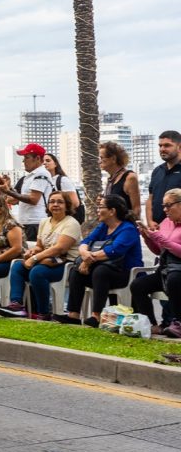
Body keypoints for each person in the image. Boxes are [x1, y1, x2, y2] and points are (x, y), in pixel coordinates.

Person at [54, 194, 143, 327]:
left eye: (101, 207)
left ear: (112, 211)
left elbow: (114, 250)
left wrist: (87, 260)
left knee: (100, 271)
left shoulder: (128, 229)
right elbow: (86, 241)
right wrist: (84, 253)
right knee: (76, 271)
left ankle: (96, 316)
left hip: (126, 273)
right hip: (105, 270)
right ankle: (74, 315)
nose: (97, 210)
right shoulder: (103, 226)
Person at [0, 191, 81, 320]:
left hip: (65, 264)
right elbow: (40, 246)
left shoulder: (71, 223)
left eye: (60, 202)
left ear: (67, 205)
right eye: (52, 201)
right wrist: (32, 252)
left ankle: (44, 313)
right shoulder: (44, 222)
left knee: (37, 272)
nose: (55, 204)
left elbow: (60, 248)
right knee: (18, 267)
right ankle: (17, 305)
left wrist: (35, 258)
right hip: (45, 259)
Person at [134, 188, 181, 336]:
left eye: (169, 205)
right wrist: (147, 237)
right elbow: (158, 250)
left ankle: (178, 323)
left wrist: (161, 239)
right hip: (166, 269)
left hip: (178, 270)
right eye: (163, 206)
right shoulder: (167, 222)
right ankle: (152, 324)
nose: (165, 210)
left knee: (174, 280)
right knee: (138, 285)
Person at [0, 143, 53, 242]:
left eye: (26, 157)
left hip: (35, 222)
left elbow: (33, 199)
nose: (24, 161)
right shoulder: (31, 176)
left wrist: (9, 192)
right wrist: (9, 187)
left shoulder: (41, 173)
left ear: (37, 158)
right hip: (27, 222)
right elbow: (16, 200)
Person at [146, 131, 181, 230]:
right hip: (157, 230)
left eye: (167, 146)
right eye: (160, 146)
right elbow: (150, 199)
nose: (162, 149)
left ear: (179, 147)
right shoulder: (157, 171)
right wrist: (149, 221)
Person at [100, 141, 141, 218]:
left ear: (113, 159)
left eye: (102, 158)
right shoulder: (111, 179)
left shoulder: (129, 178)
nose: (99, 161)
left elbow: (136, 209)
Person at [43, 153, 84, 223]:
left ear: (55, 164)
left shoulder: (63, 180)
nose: (44, 163)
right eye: (42, 161)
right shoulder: (43, 181)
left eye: (48, 160)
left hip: (64, 220)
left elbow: (75, 203)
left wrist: (61, 217)